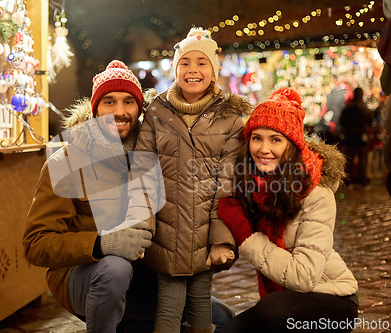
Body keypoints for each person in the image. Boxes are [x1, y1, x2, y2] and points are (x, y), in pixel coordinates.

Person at [23, 60, 234, 333]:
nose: (119, 112)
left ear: (139, 108)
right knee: (115, 268)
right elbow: (36, 245)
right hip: (87, 275)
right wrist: (101, 243)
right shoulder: (66, 162)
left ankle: (129, 321)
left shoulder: (156, 156)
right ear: (95, 108)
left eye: (128, 102)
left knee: (221, 318)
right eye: (109, 102)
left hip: (146, 274)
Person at [134, 27, 251, 333]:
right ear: (176, 69)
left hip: (204, 232)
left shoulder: (229, 118)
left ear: (213, 70)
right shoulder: (157, 111)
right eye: (185, 63)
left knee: (201, 300)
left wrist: (220, 238)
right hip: (166, 229)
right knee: (169, 304)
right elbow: (143, 172)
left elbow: (229, 181)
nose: (193, 70)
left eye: (202, 63)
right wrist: (143, 230)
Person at [217, 88, 359, 333]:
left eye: (275, 139)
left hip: (333, 300)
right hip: (283, 299)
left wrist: (245, 235)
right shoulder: (254, 185)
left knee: (271, 312)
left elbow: (303, 277)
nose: (264, 148)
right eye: (257, 137)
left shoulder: (315, 192)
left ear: (291, 146)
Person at [339, 87, 373, 186]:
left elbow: (342, 121)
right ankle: (363, 181)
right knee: (362, 160)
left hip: (350, 137)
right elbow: (370, 121)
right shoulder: (364, 108)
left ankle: (348, 181)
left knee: (349, 160)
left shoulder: (348, 107)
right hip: (360, 137)